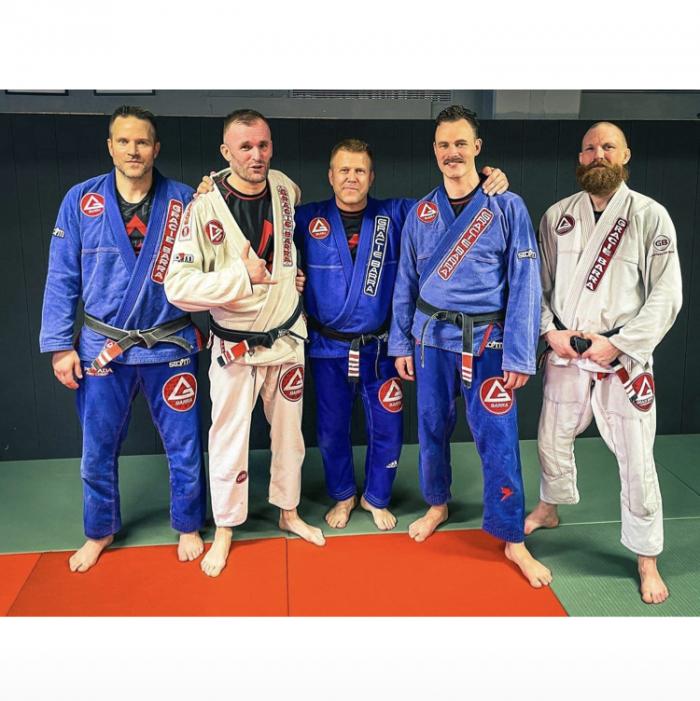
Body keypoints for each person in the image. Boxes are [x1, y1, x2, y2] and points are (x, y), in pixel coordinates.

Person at [295, 138, 509, 531]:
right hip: (328, 347)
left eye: (360, 170)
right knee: (330, 430)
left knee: (388, 428)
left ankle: (376, 497)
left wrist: (486, 179)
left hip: (380, 346)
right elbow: (264, 228)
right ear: (330, 175)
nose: (351, 178)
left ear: (372, 176)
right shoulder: (306, 218)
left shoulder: (396, 214)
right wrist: (215, 188)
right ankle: (343, 495)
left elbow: (452, 204)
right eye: (344, 170)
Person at [389, 105, 552, 588]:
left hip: (488, 342)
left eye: (461, 143)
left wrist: (520, 353)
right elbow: (405, 281)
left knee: (498, 438)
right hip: (431, 340)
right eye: (444, 144)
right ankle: (437, 504)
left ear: (477, 147)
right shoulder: (421, 212)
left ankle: (512, 536)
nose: (452, 152)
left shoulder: (507, 205)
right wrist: (401, 342)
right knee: (431, 428)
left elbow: (526, 283)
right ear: (434, 150)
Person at [39, 105, 207, 573]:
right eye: (124, 141)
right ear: (110, 147)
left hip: (169, 345)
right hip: (102, 349)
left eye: (142, 142)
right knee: (97, 447)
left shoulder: (185, 201)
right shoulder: (81, 200)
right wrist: (60, 345)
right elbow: (61, 275)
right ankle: (99, 530)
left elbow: (212, 269)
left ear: (156, 148)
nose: (134, 150)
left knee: (184, 445)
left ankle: (189, 523)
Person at [524, 122, 682, 604]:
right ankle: (550, 506)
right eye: (590, 148)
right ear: (580, 157)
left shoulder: (650, 215)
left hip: (622, 357)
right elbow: (537, 286)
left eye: (608, 147)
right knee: (551, 437)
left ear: (625, 154)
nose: (599, 154)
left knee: (636, 456)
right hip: (567, 349)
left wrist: (620, 344)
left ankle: (646, 555)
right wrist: (549, 332)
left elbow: (666, 295)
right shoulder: (557, 216)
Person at [165, 109, 324, 578]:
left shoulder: (284, 187)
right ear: (225, 152)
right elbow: (177, 287)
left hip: (287, 339)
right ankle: (226, 527)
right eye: (245, 147)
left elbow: (288, 242)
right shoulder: (202, 207)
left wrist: (291, 276)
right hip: (234, 347)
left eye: (264, 145)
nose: (257, 155)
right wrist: (240, 276)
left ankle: (289, 511)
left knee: (290, 437)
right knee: (228, 439)